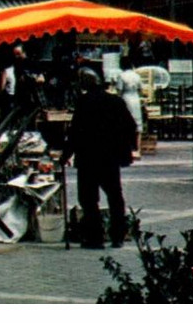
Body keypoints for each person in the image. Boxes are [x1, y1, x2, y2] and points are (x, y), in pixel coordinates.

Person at [62, 68, 137, 250]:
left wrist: (66, 155)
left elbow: (75, 131)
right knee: (115, 196)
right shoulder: (115, 101)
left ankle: (95, 237)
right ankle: (117, 235)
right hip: (110, 158)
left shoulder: (84, 102)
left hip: (88, 158)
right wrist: (125, 151)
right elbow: (130, 126)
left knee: (89, 199)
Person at [114, 56, 145, 159]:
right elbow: (141, 89)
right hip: (136, 99)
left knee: (124, 124)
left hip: (126, 99)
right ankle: (138, 149)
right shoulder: (137, 76)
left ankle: (126, 149)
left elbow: (119, 90)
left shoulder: (121, 76)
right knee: (138, 124)